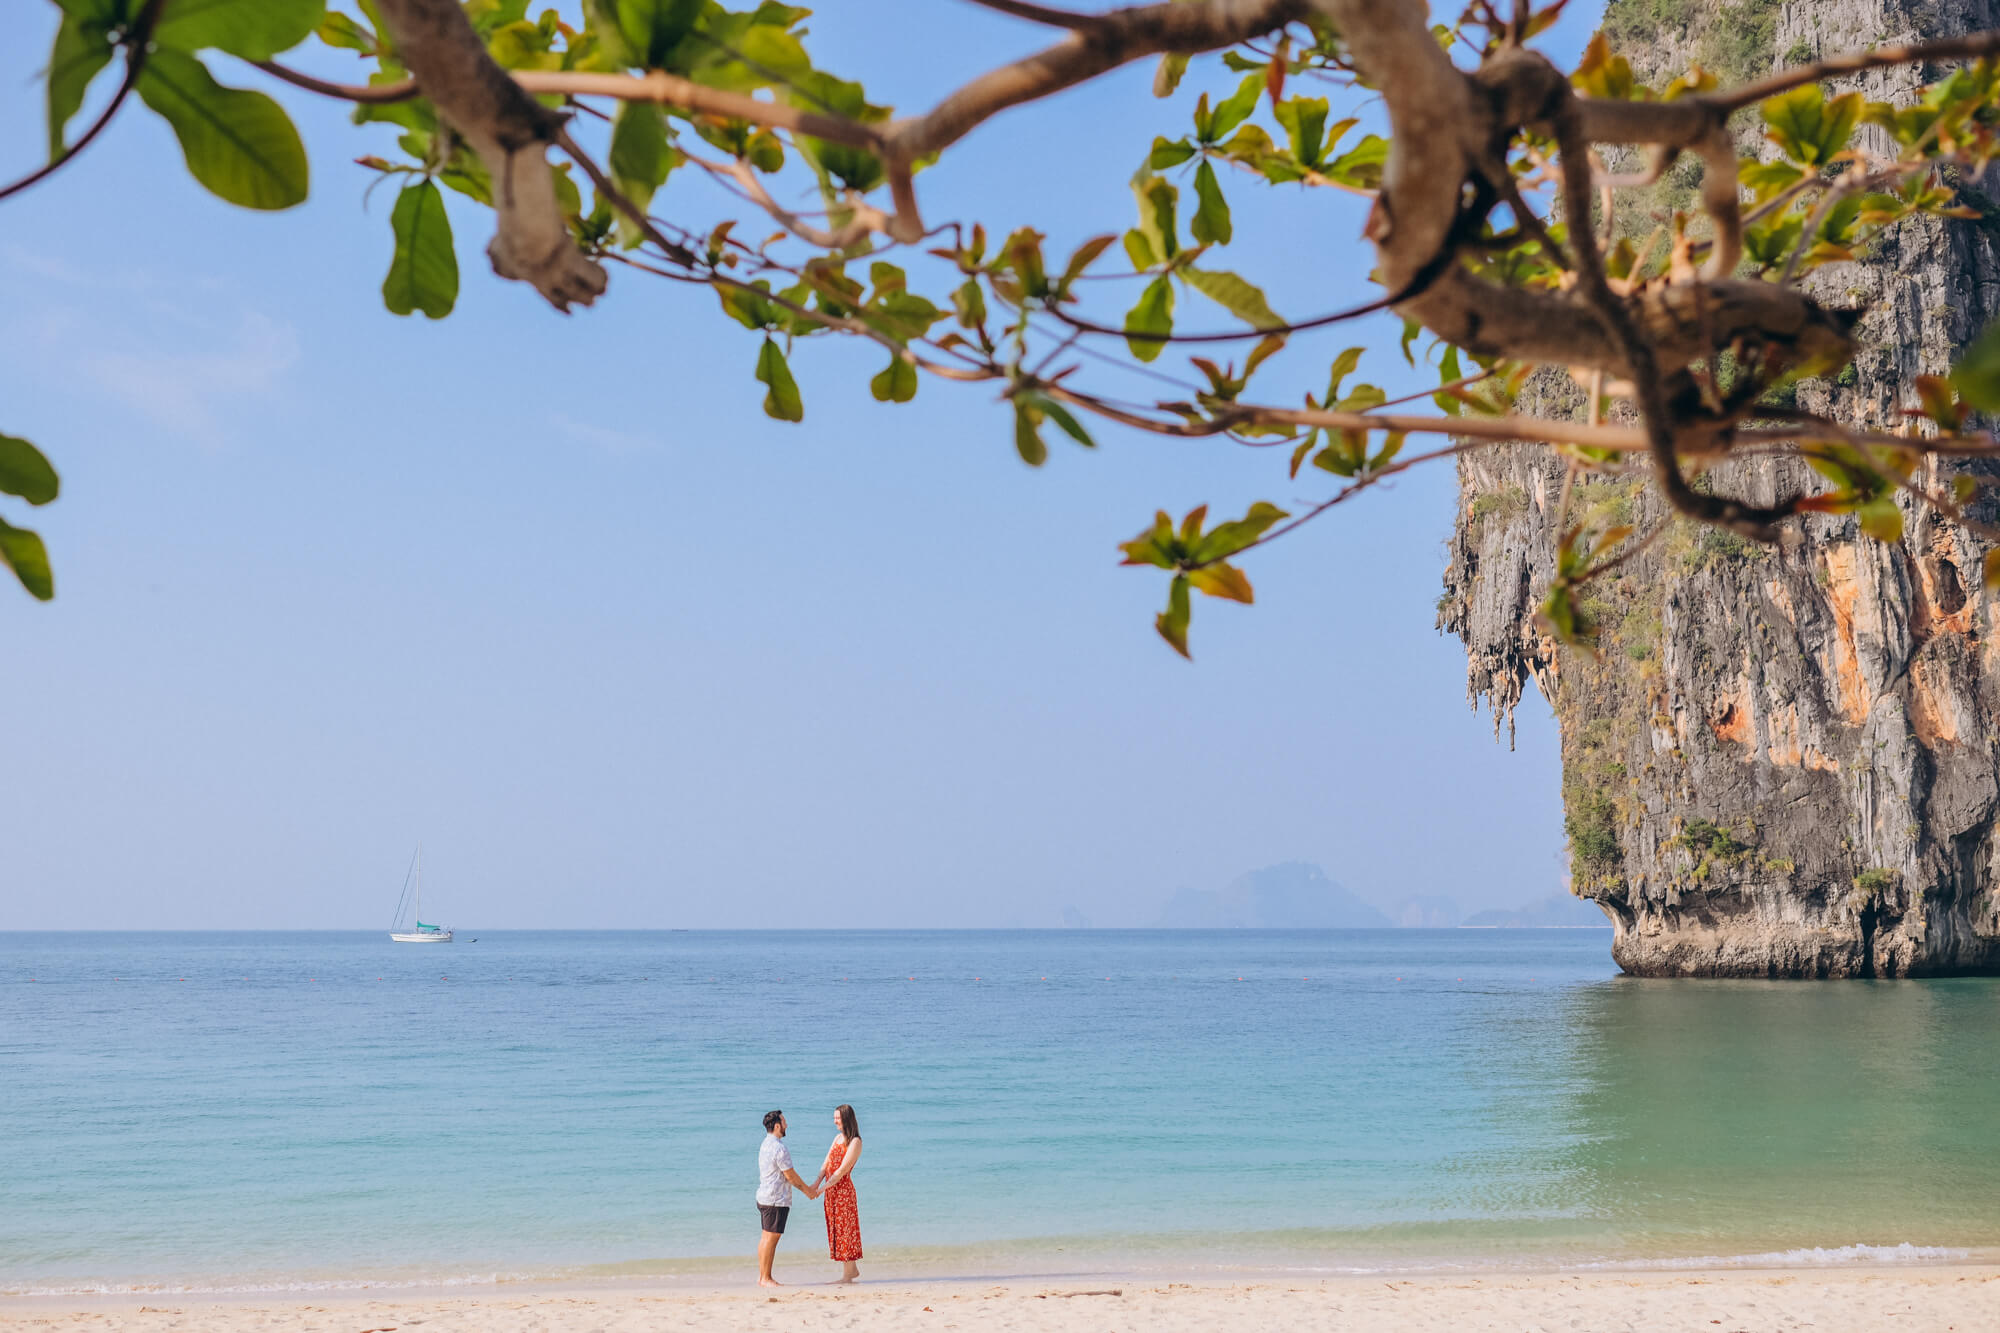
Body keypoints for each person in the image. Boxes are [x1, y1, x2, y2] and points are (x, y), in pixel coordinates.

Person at [756, 1109, 818, 1287]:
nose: (787, 1125)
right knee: (771, 1239)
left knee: (766, 1238)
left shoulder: (765, 1143)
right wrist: (808, 1191)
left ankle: (762, 1277)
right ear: (777, 1126)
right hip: (775, 1199)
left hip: (765, 1196)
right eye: (784, 1122)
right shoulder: (779, 1148)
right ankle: (765, 1278)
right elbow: (790, 1176)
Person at [815, 1103, 865, 1283]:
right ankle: (852, 1270)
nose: (835, 1121)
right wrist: (815, 1184)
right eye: (834, 1118)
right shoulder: (837, 1138)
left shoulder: (855, 1141)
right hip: (831, 1191)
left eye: (838, 1118)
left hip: (843, 1192)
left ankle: (847, 1275)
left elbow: (842, 1170)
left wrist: (822, 1189)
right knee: (837, 1229)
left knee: (846, 1230)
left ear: (847, 1119)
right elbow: (827, 1163)